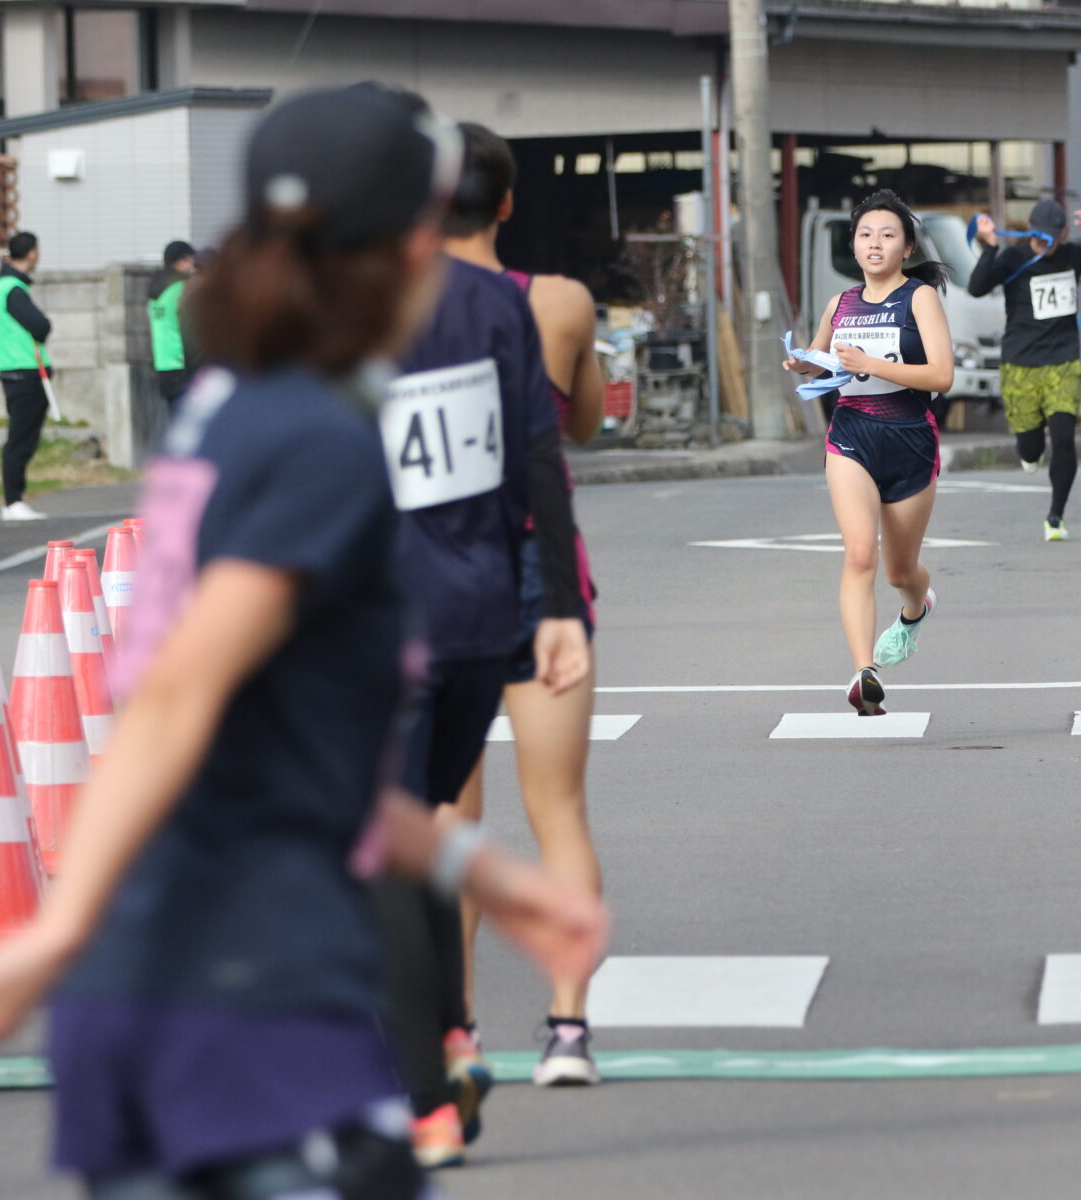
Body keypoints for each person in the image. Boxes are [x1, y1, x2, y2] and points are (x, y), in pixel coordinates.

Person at [0, 85, 608, 1200]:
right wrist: (51, 939)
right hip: (248, 999)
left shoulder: (242, 404)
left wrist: (492, 878)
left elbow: (282, 749)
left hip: (205, 993)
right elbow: (183, 697)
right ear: (415, 242)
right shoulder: (318, 434)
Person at [375, 113, 596, 1156]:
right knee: (532, 811)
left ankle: (439, 1054)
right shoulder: (529, 305)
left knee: (414, 835)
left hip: (397, 605)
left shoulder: (358, 301)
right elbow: (552, 450)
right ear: (504, 202)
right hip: (503, 590)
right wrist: (559, 604)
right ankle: (552, 1027)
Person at [434, 122, 608, 1090]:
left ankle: (455, 1031)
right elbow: (579, 424)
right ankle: (567, 1030)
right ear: (506, 203)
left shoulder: (395, 308)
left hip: (436, 576)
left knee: (450, 822)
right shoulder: (560, 302)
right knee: (561, 811)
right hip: (544, 569)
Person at [785, 189, 953, 714]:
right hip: (851, 435)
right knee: (860, 552)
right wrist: (806, 365)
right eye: (864, 234)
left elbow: (942, 376)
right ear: (853, 247)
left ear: (906, 247)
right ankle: (864, 673)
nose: (874, 243)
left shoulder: (919, 296)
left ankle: (915, 608)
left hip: (910, 440)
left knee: (900, 571)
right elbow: (825, 359)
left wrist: (870, 363)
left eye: (887, 235)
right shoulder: (841, 303)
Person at [968, 198, 1081, 541]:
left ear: (1063, 234)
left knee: (1064, 438)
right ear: (1031, 231)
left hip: (1063, 362)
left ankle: (1056, 516)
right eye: (1040, 238)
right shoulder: (1014, 258)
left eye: (1053, 238)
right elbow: (977, 288)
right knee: (1030, 448)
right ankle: (1030, 454)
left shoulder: (1073, 254)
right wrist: (989, 248)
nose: (1046, 245)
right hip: (1019, 364)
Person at [0, 230, 53, 522]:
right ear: (33, 254)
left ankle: (14, 500)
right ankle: (13, 501)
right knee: (21, 438)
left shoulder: (0, 285)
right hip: (22, 372)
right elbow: (40, 325)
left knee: (20, 436)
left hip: (14, 370)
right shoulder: (12, 288)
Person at [147, 240, 197, 414]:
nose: (193, 266)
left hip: (163, 363)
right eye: (191, 261)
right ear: (180, 261)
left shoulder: (155, 291)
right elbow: (190, 329)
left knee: (175, 416)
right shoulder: (180, 287)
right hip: (182, 362)